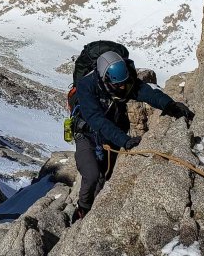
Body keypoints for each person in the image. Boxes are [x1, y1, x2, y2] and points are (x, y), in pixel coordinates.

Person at [72, 50, 194, 220]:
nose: (123, 87)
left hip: (112, 133)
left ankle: (92, 214)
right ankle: (82, 208)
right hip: (87, 134)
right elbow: (96, 119)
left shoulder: (122, 82)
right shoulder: (87, 86)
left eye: (124, 83)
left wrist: (170, 106)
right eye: (118, 85)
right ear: (104, 78)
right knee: (92, 175)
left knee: (104, 178)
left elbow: (147, 93)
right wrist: (124, 140)